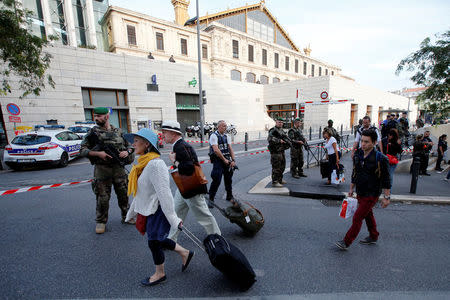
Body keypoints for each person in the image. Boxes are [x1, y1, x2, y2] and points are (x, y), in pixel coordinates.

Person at [124, 128, 194, 287]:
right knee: (159, 239)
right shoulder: (143, 164)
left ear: (147, 143)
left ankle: (160, 273)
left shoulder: (155, 164)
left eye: (136, 141)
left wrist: (174, 219)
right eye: (133, 140)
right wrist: (132, 212)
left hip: (158, 210)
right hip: (149, 209)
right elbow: (141, 193)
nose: (132, 144)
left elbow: (165, 193)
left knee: (154, 242)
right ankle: (185, 253)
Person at [161, 121, 221, 242]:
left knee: (204, 216)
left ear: (173, 134)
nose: (163, 135)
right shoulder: (178, 145)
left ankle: (218, 239)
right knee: (176, 213)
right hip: (184, 187)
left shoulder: (181, 146)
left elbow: (189, 168)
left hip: (192, 188)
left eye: (165, 132)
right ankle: (171, 240)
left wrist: (174, 161)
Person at [80, 107, 135, 234]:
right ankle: (101, 221)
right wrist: (98, 154)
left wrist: (127, 152)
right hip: (102, 170)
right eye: (95, 116)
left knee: (123, 195)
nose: (96, 118)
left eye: (99, 116)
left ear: (107, 116)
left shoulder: (119, 131)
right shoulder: (92, 134)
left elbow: (130, 146)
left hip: (119, 170)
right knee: (102, 198)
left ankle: (126, 216)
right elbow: (82, 150)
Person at [335, 129, 391, 250]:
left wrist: (387, 197)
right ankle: (374, 235)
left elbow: (386, 179)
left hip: (372, 193)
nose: (363, 144)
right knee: (368, 214)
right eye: (362, 141)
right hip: (360, 191)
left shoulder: (381, 158)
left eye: (366, 142)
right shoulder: (358, 154)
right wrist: (351, 189)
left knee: (358, 217)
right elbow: (355, 173)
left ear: (374, 142)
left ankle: (346, 241)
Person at [208, 120, 237, 208]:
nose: (225, 127)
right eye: (223, 126)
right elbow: (216, 150)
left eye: (226, 126)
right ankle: (211, 199)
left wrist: (233, 160)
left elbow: (230, 148)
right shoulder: (213, 136)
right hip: (218, 161)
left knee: (228, 180)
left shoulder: (226, 136)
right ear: (218, 127)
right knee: (216, 180)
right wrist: (224, 159)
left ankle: (229, 196)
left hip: (227, 160)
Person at [268, 118, 290, 187]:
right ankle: (275, 181)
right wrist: (279, 141)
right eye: (279, 122)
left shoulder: (281, 130)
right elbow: (270, 139)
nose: (280, 123)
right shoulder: (273, 130)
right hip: (275, 152)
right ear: (276, 122)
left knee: (282, 166)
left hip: (281, 151)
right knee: (276, 167)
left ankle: (280, 179)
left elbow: (285, 138)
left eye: (281, 122)